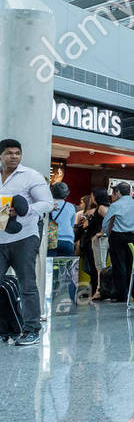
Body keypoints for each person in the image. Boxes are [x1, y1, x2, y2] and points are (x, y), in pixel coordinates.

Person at [0, 139, 54, 344]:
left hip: (24, 237)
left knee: (27, 284)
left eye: (17, 153)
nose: (14, 156)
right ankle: (7, 327)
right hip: (1, 236)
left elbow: (47, 203)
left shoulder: (30, 176)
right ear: (1, 155)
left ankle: (32, 329)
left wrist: (25, 211)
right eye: (9, 153)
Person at [101, 181, 134, 303]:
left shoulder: (116, 205)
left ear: (118, 192)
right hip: (133, 238)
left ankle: (122, 295)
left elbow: (106, 222)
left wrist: (107, 233)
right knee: (132, 265)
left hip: (118, 237)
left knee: (119, 266)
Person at [80, 187, 111, 297]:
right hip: (93, 239)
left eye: (93, 195)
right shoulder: (100, 207)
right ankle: (95, 289)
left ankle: (98, 290)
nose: (91, 197)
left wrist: (102, 232)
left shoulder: (102, 207)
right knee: (95, 266)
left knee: (97, 266)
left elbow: (109, 220)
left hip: (97, 240)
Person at [48, 182, 76, 256]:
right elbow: (72, 224)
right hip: (68, 240)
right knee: (65, 266)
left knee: (50, 266)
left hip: (51, 240)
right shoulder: (71, 207)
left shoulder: (48, 205)